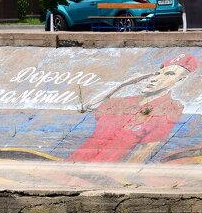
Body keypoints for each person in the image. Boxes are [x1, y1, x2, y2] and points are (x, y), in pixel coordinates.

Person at [69, 53, 198, 164]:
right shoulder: (124, 102)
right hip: (71, 165)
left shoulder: (170, 109)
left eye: (168, 74)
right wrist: (122, 84)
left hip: (98, 174)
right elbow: (89, 106)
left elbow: (144, 151)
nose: (156, 78)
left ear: (180, 80)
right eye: (157, 73)